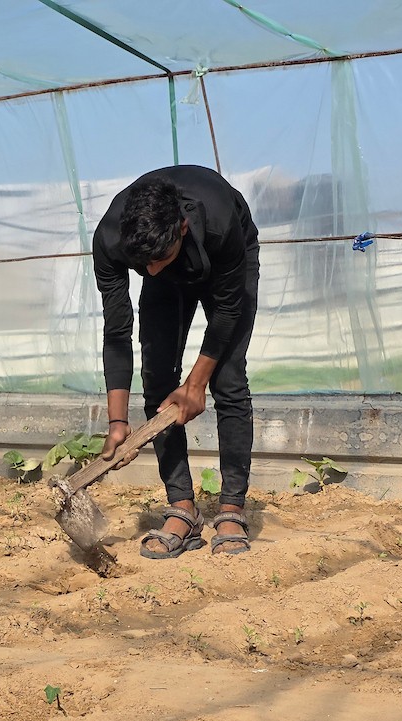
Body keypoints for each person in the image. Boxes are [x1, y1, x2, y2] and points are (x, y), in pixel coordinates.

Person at [93, 165, 258, 557]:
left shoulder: (217, 219)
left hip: (226, 261)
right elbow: (117, 331)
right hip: (172, 271)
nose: (149, 270)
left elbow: (229, 310)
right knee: (158, 381)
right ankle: (183, 508)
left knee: (229, 379)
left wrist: (196, 384)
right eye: (141, 264)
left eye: (157, 259)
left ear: (181, 228)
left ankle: (232, 507)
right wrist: (118, 422)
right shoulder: (111, 239)